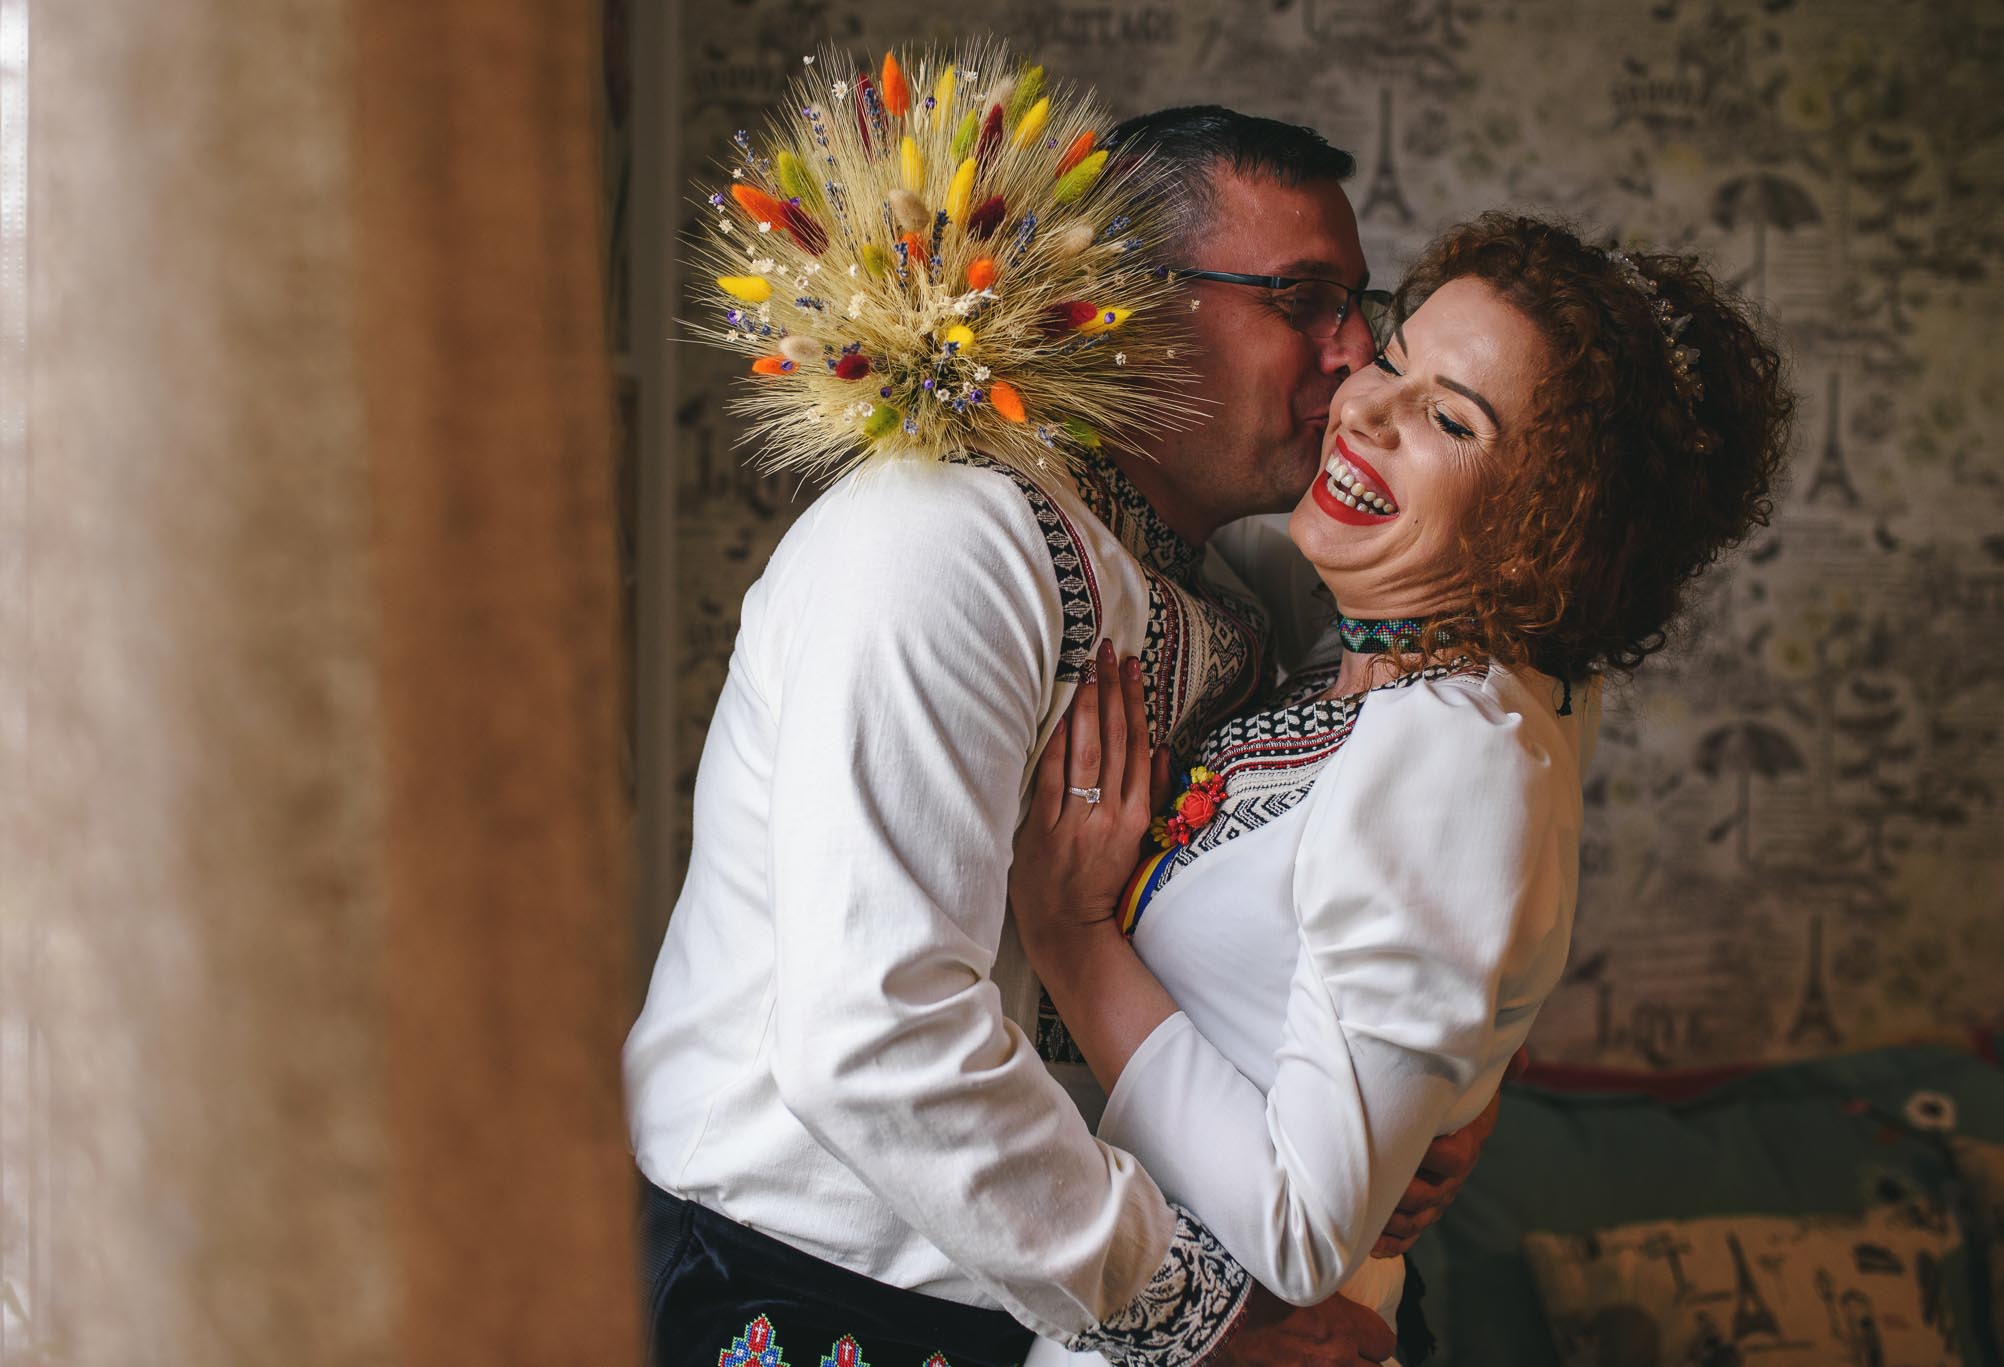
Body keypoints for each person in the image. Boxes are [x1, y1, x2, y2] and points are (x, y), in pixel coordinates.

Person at [628, 48, 1498, 1367]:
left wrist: (1441, 1094)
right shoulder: (938, 542)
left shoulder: (1252, 581)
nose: (1355, 352)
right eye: (1303, 300)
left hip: (1082, 1283)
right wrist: (1199, 1316)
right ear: (1128, 306)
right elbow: (874, 1035)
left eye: (1356, 303)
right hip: (821, 1277)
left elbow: (1455, 815)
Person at [1010, 213, 1795, 1364]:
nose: (1364, 408)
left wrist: (1071, 936)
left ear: (1547, 527)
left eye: (1449, 419)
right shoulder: (1409, 673)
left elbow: (1300, 1229)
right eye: (1391, 357)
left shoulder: (1455, 752)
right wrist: (1458, 1087)